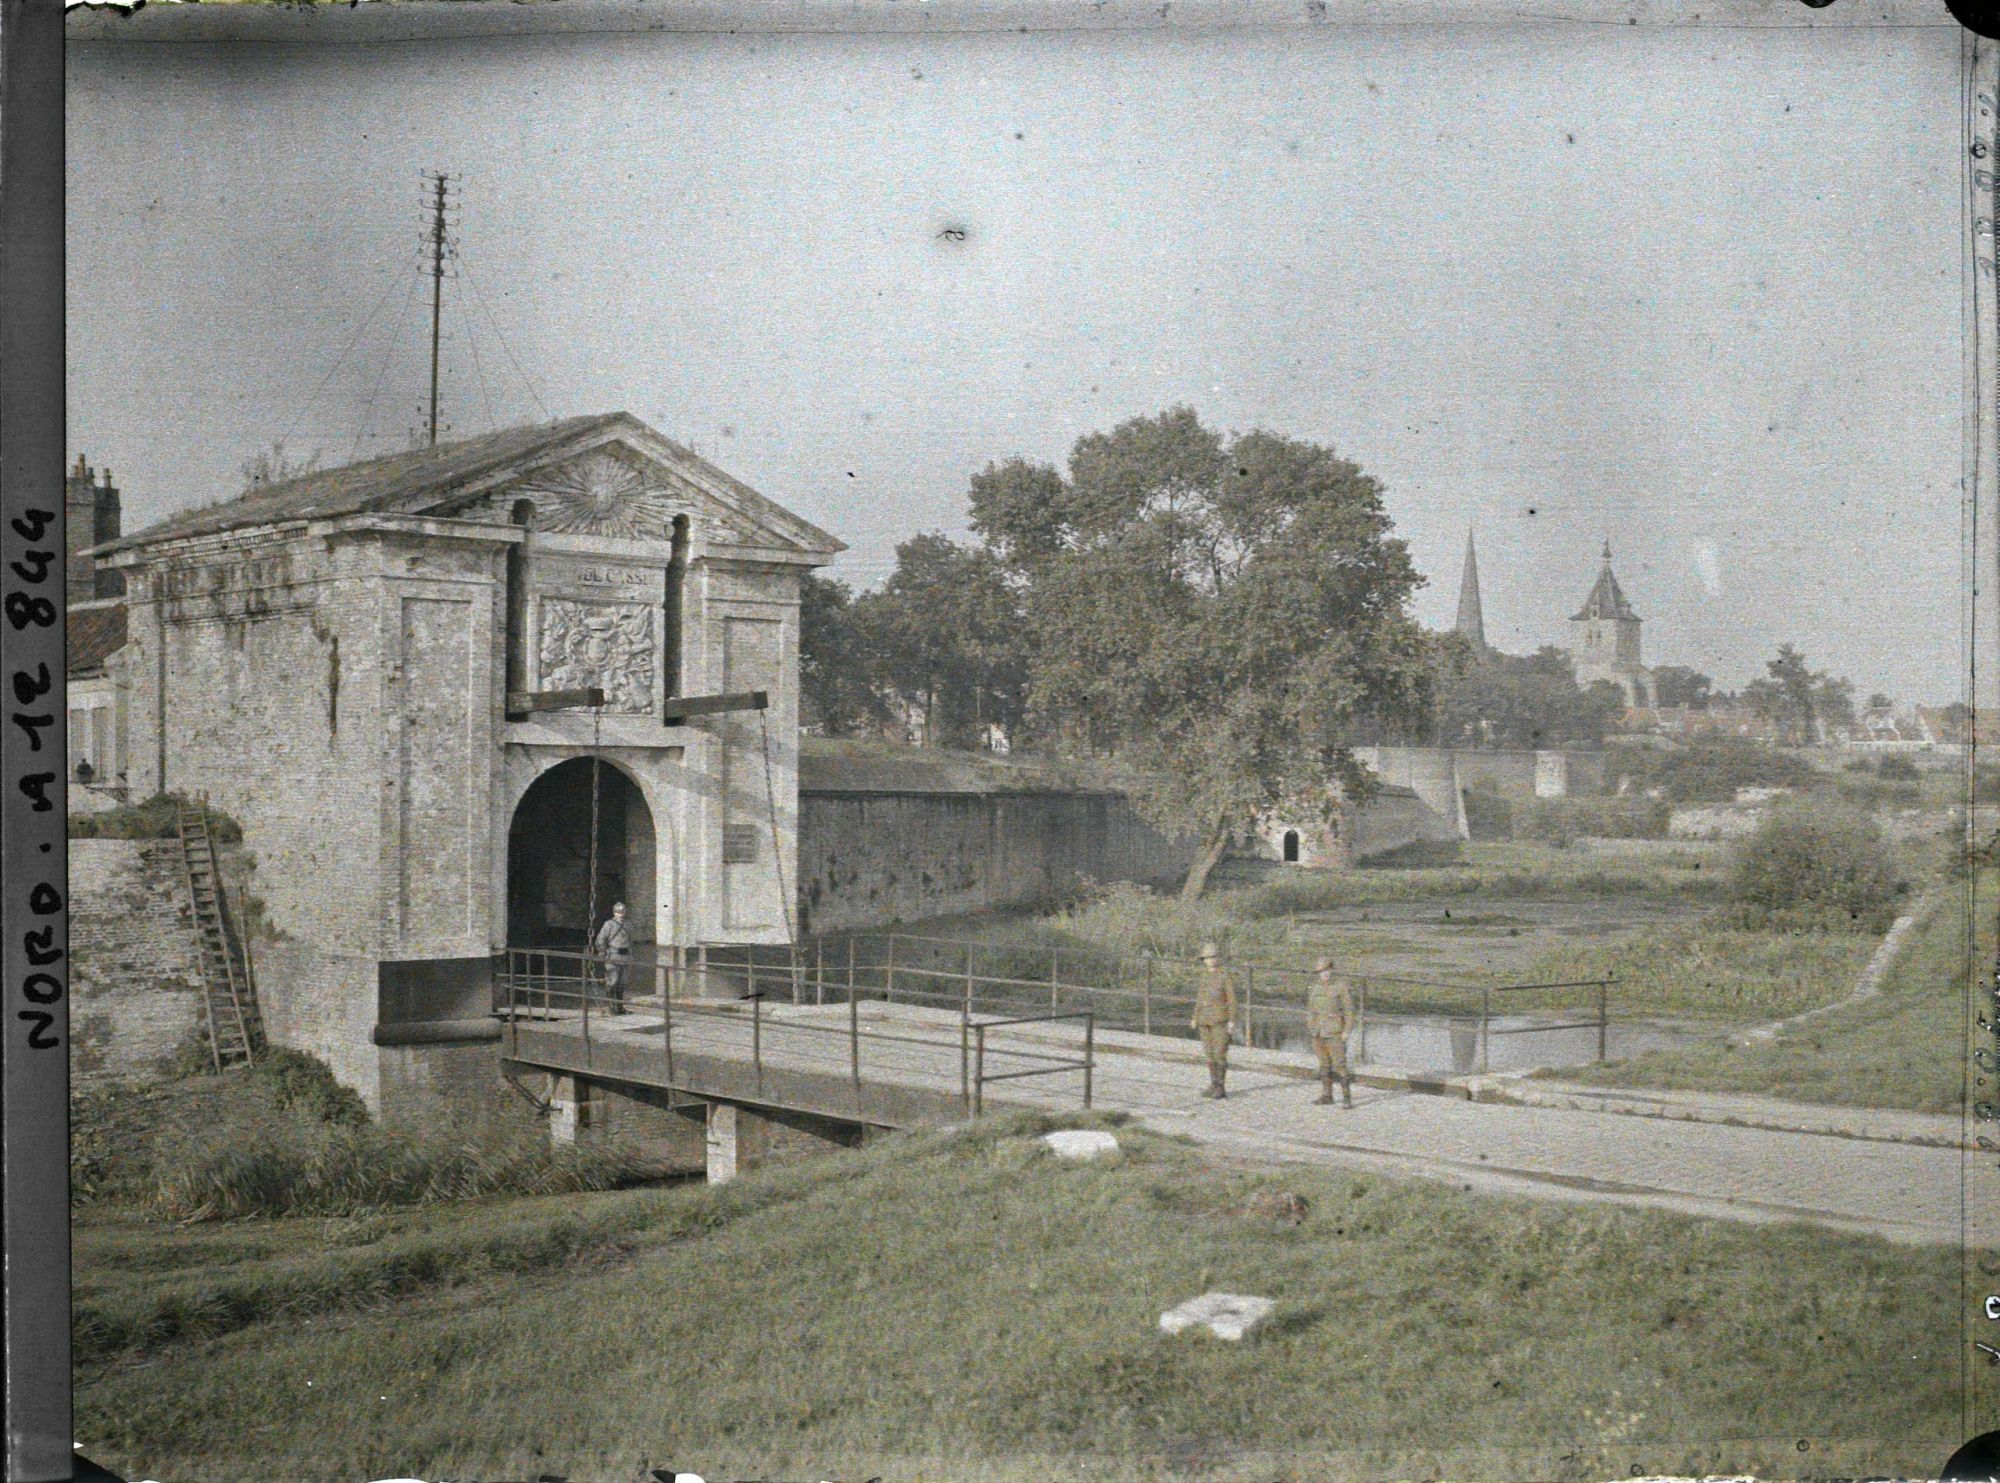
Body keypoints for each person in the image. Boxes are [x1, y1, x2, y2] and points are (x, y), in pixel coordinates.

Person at [1305, 955, 1357, 1107]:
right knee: (1324, 1065)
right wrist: (1311, 1026)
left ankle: (1347, 1098)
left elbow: (1349, 1011)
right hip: (1318, 1032)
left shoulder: (1340, 987)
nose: (1325, 974)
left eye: (1327, 970)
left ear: (1332, 970)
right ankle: (1327, 1095)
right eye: (1321, 971)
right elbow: (1311, 1010)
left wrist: (1347, 1030)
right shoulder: (1315, 988)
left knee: (1340, 1064)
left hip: (1334, 1031)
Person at [1190, 941, 1237, 1100]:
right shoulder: (1204, 977)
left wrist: (1232, 1020)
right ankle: (1213, 1084)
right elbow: (1200, 998)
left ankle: (1220, 1087)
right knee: (1209, 1054)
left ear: (1218, 958)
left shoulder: (1224, 977)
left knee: (1219, 1053)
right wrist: (1195, 1017)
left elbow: (1231, 1000)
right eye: (1206, 958)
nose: (1209, 961)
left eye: (1212, 957)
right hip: (1204, 1019)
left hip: (1219, 1019)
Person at [593, 901, 632, 1014]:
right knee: (612, 982)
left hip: (625, 956)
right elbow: (600, 939)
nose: (621, 914)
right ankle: (611, 1007)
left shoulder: (628, 924)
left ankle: (620, 1007)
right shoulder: (609, 924)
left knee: (622, 983)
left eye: (622, 912)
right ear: (614, 913)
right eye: (618, 912)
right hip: (613, 956)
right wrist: (602, 951)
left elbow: (630, 940)